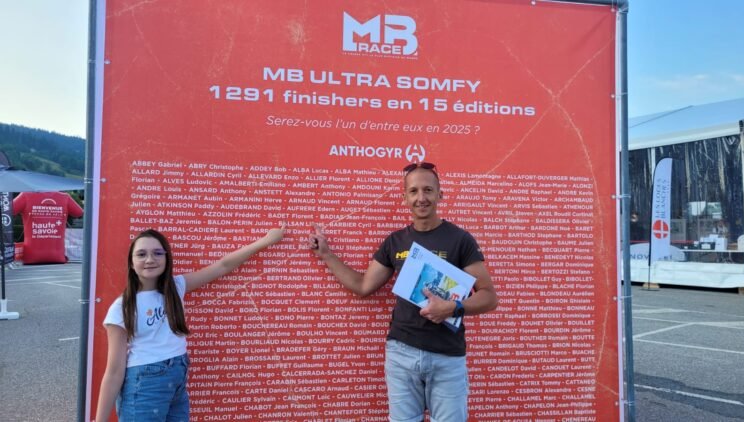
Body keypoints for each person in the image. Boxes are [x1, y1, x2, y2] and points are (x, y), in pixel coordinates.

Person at [309, 162, 498, 421]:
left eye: (428, 190)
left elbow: (489, 296)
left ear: (440, 195)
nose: (421, 198)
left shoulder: (460, 240)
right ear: (404, 198)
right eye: (413, 191)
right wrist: (327, 255)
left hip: (447, 356)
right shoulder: (395, 241)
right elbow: (363, 286)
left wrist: (452, 308)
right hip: (401, 353)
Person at [95, 224, 285, 421]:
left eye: (157, 253)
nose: (150, 259)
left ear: (167, 259)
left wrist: (266, 241)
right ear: (132, 263)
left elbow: (223, 266)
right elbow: (114, 372)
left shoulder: (176, 287)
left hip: (177, 379)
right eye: (141, 254)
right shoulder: (122, 308)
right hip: (144, 386)